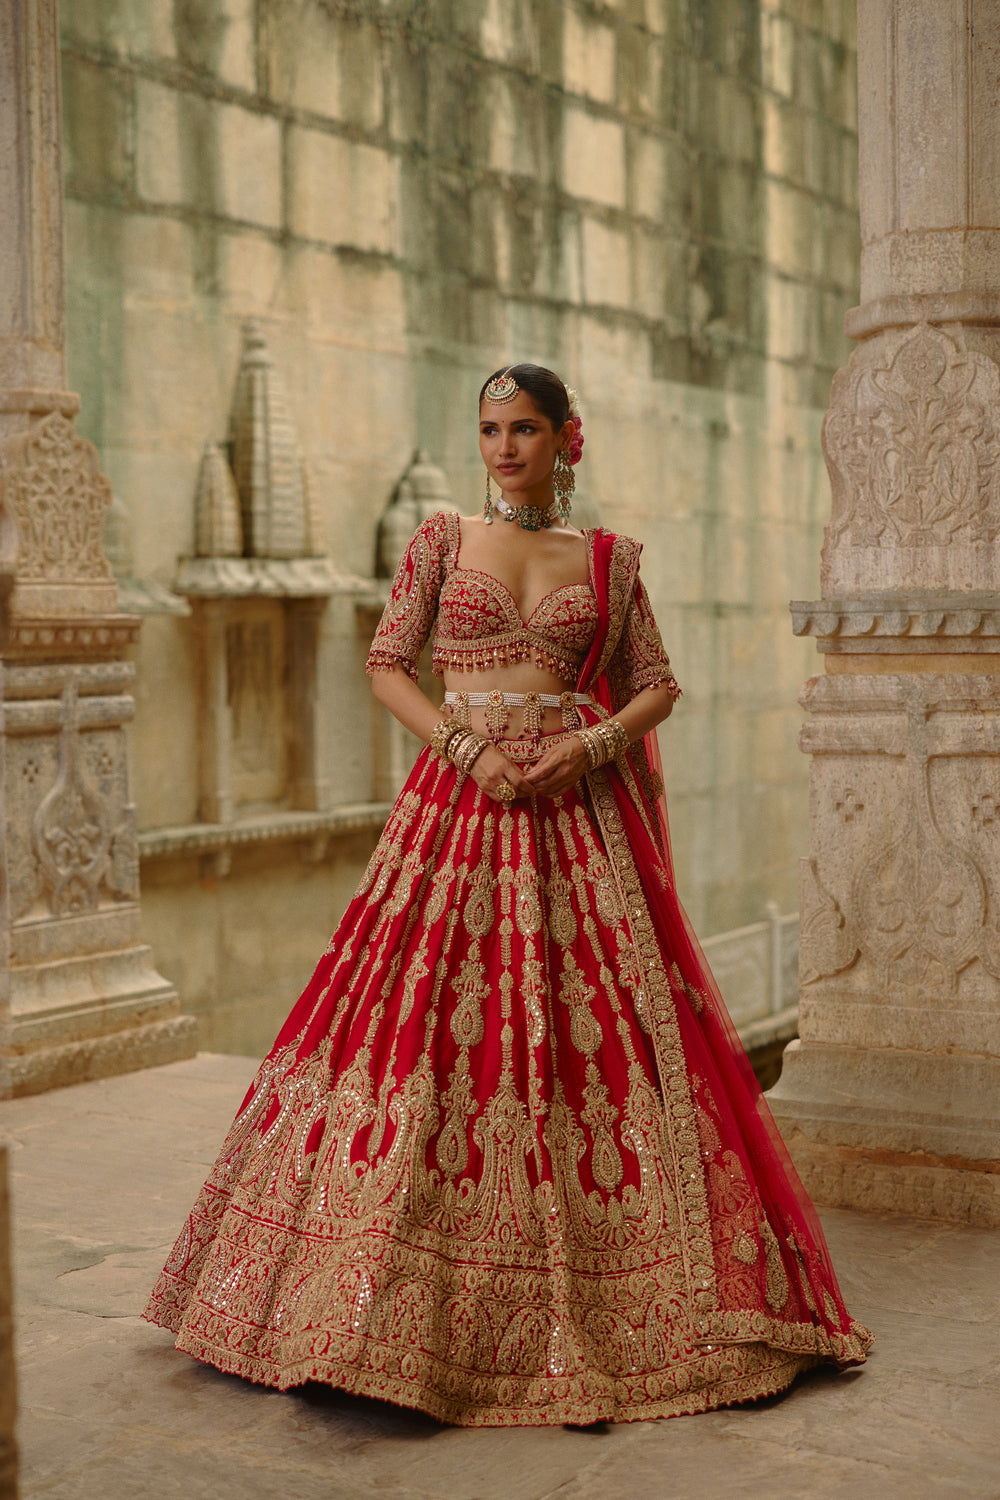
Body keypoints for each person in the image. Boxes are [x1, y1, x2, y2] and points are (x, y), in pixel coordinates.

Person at [144, 363, 873, 1427]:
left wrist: (588, 745)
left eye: (523, 428)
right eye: (489, 429)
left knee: (590, 1047)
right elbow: (389, 663)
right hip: (459, 810)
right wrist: (466, 747)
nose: (503, 448)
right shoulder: (441, 543)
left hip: (576, 822)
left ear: (564, 438)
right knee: (428, 1042)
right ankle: (362, 1307)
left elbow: (659, 682)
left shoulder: (610, 562)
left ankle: (611, 1291)